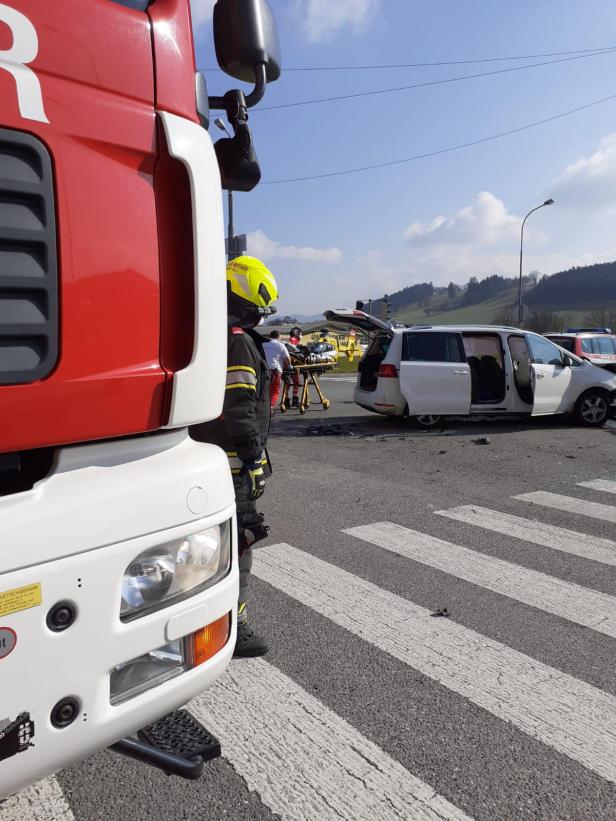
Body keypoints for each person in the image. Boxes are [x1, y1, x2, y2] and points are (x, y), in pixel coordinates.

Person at [190, 256, 278, 658]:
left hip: (208, 455)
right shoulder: (238, 338)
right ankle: (235, 626)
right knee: (241, 543)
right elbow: (241, 406)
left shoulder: (209, 331)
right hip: (233, 461)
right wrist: (255, 457)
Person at [263, 330, 291, 411]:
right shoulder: (280, 345)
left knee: (266, 390)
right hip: (275, 371)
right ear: (278, 337)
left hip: (264, 370)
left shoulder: (263, 344)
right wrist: (288, 366)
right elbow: (287, 359)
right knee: (275, 391)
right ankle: (270, 408)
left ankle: (264, 406)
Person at [288, 326, 302, 407]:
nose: (301, 335)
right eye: (300, 333)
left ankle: (286, 399)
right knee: (296, 382)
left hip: (288, 365)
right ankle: (294, 398)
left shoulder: (290, 340)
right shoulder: (294, 341)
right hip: (293, 365)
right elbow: (294, 354)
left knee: (288, 383)